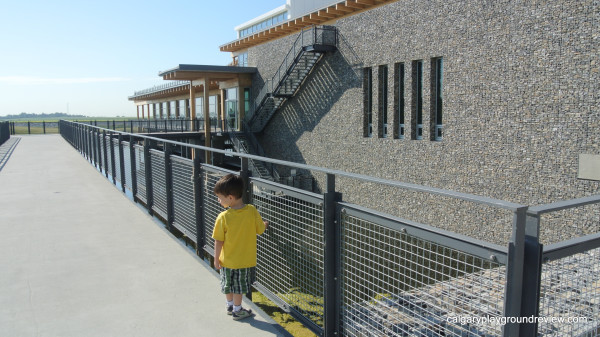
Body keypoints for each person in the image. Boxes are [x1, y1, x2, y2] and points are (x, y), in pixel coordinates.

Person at [211, 173, 267, 320]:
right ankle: (238, 309)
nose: (218, 201)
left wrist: (216, 259)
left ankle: (230, 306)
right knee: (239, 287)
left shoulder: (223, 217)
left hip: (226, 260)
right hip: (243, 261)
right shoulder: (252, 211)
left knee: (228, 284)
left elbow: (218, 241)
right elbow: (260, 229)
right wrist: (265, 224)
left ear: (230, 198)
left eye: (220, 198)